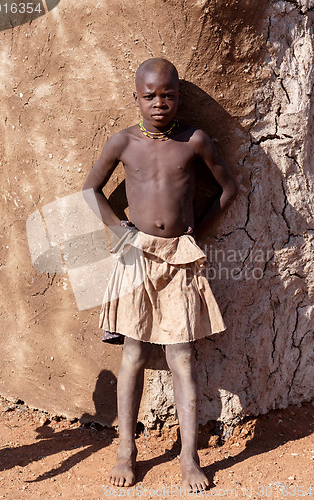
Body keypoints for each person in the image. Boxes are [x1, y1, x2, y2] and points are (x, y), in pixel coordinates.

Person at [82, 57, 238, 491]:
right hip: (138, 259)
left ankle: (189, 458)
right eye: (149, 95)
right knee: (132, 353)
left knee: (182, 358)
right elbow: (90, 189)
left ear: (179, 99)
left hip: (179, 259)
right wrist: (119, 230)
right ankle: (125, 450)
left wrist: (197, 233)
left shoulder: (194, 141)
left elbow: (228, 190)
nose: (159, 103)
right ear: (136, 98)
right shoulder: (123, 143)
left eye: (168, 95)